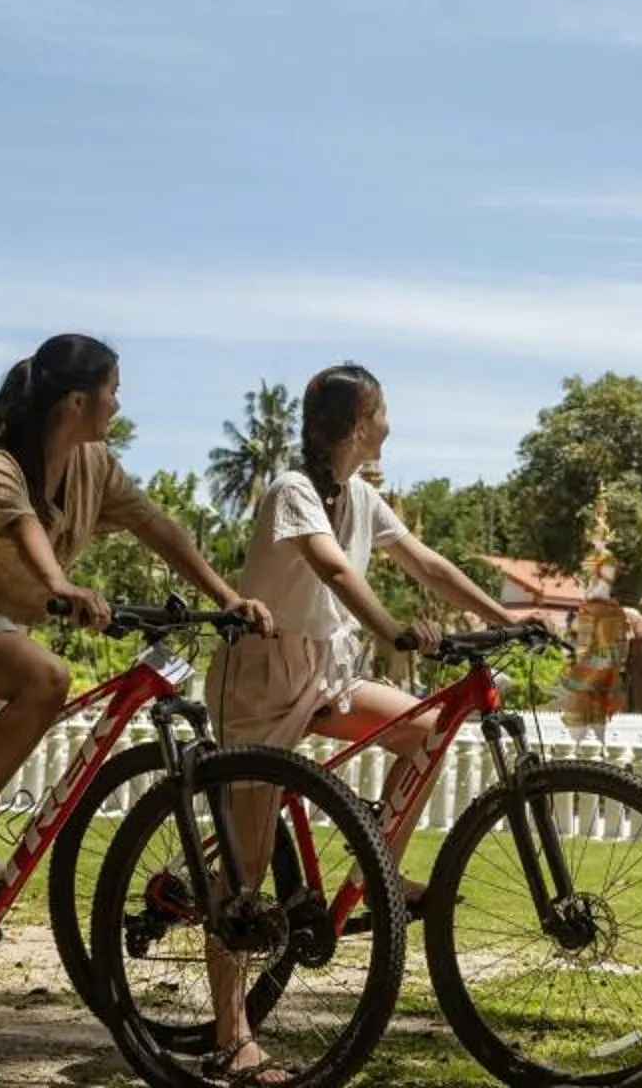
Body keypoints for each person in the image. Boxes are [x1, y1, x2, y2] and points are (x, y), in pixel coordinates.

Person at [0, 333, 274, 1074]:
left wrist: (225, 597)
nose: (119, 403)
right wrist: (60, 586)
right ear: (77, 400)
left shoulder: (94, 465)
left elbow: (157, 525)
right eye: (114, 389)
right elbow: (27, 527)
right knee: (48, 683)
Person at [201, 362, 517, 1082]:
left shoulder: (364, 497)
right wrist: (391, 630)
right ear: (358, 425)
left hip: (325, 674)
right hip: (261, 681)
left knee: (426, 730)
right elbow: (333, 571)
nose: (390, 425)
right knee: (247, 879)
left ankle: (378, 868)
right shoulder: (291, 490)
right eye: (383, 413)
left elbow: (428, 564)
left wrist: (507, 620)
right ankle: (231, 1035)